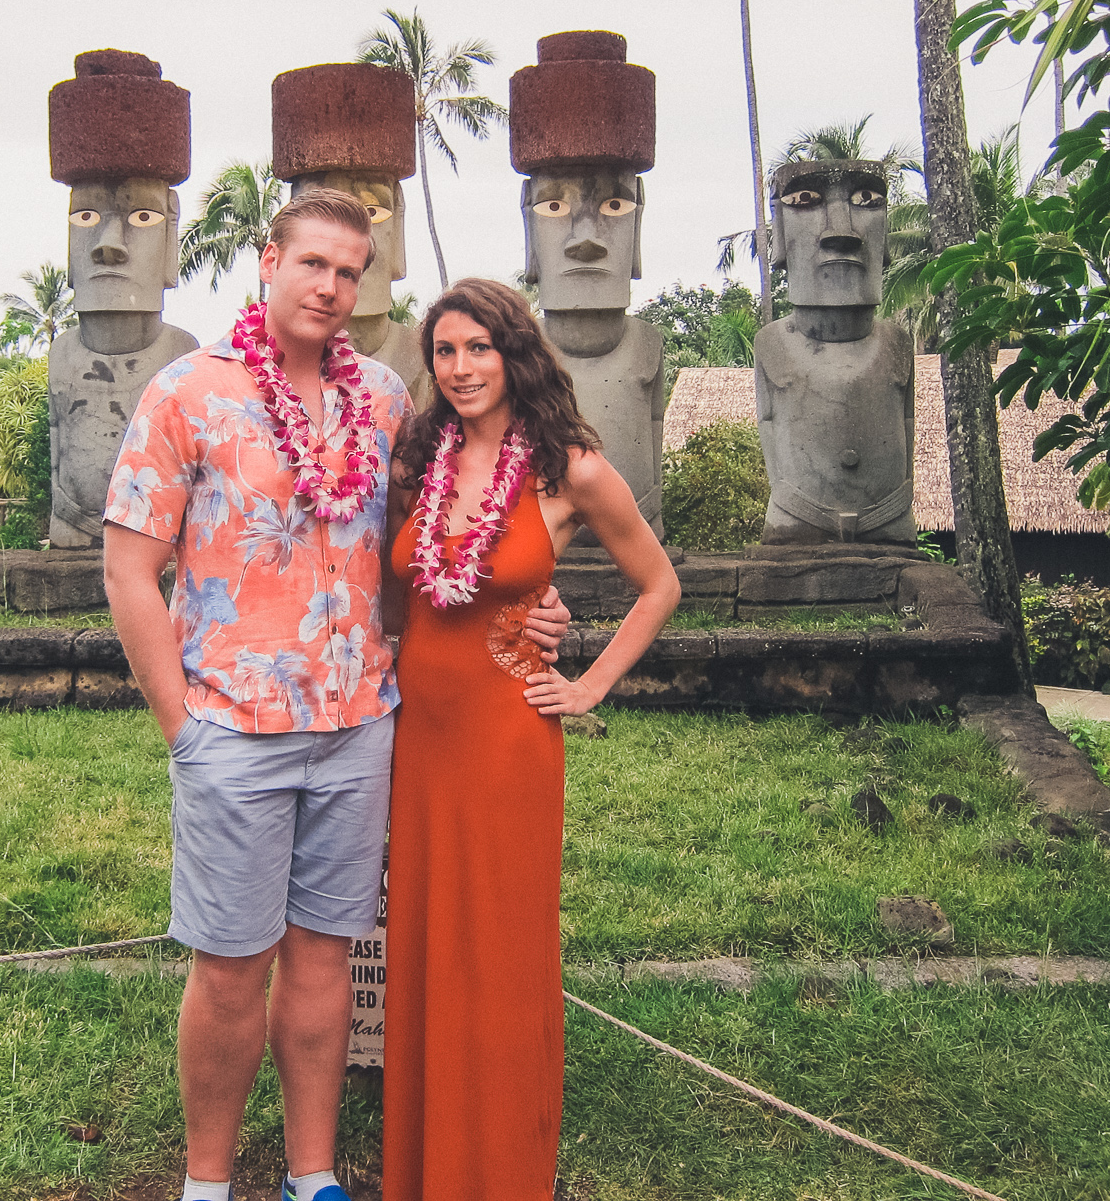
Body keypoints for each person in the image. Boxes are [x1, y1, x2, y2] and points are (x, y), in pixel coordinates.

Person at [103, 195, 570, 1201]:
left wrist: (531, 600)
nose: (330, 287)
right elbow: (127, 571)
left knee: (322, 962)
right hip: (230, 724)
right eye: (312, 263)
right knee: (230, 969)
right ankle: (205, 1181)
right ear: (267, 261)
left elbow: (447, 539)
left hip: (359, 725)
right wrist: (181, 726)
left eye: (350, 272)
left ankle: (309, 1175)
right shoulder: (188, 392)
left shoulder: (385, 402)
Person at [381, 278, 680, 1200]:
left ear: (516, 353)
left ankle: (502, 1169)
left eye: (480, 348)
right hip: (417, 738)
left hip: (507, 738)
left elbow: (659, 584)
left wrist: (587, 681)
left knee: (500, 948)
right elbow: (403, 596)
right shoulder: (422, 452)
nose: (462, 367)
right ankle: (430, 1164)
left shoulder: (567, 466)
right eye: (445, 351)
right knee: (426, 944)